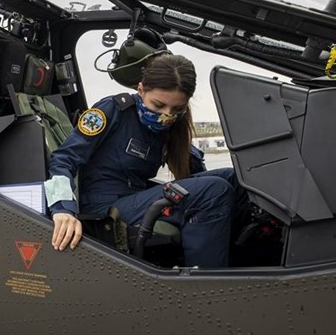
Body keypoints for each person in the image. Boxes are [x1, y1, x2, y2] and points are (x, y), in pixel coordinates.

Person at [45, 53, 243, 267]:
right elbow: (63, 159)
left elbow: (195, 173)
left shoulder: (171, 125)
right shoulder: (113, 111)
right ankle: (207, 283)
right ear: (140, 90)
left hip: (137, 196)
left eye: (176, 109)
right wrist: (62, 209)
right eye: (158, 105)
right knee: (215, 190)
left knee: (234, 178)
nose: (165, 116)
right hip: (105, 207)